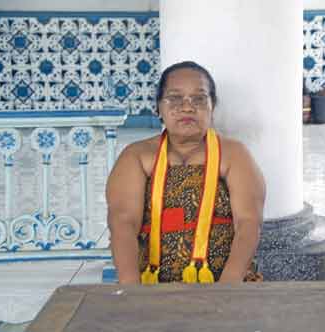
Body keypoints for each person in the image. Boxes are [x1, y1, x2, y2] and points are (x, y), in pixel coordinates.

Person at [107, 61, 266, 284]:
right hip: (150, 285)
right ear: (159, 108)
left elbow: (249, 221)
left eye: (199, 99)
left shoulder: (233, 154)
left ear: (212, 107)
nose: (187, 107)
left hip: (227, 282)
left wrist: (229, 285)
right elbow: (123, 221)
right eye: (174, 98)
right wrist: (131, 288)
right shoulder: (136, 156)